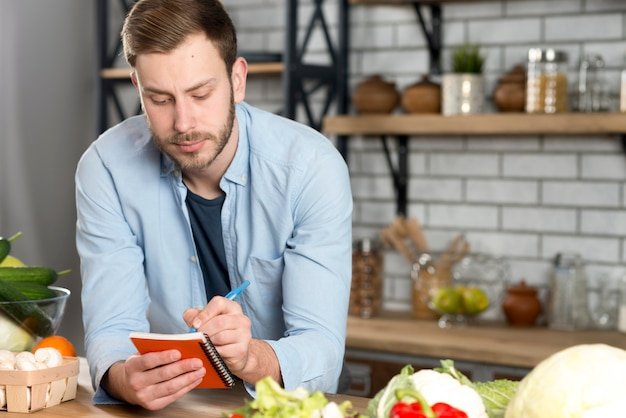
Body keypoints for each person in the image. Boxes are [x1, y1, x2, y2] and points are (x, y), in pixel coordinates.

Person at [75, 0, 352, 410]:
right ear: (137, 88)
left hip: (288, 407)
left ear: (237, 80)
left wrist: (250, 357)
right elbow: (113, 329)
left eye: (200, 93)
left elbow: (322, 348)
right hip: (173, 409)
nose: (183, 123)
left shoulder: (311, 168)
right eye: (160, 99)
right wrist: (121, 377)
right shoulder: (106, 168)